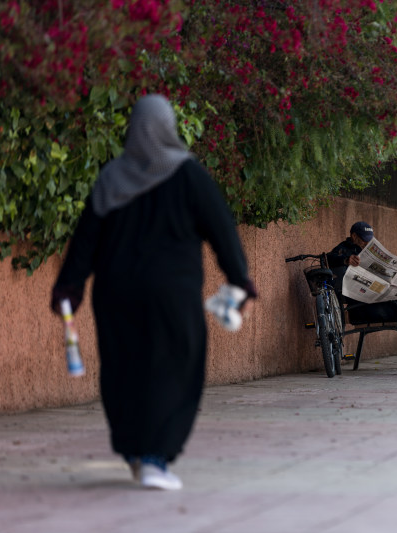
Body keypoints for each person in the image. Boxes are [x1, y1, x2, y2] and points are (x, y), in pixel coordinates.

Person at [50, 94, 257, 490]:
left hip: (116, 295)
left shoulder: (112, 177)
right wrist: (240, 279)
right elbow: (222, 230)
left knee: (124, 368)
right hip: (171, 295)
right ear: (169, 128)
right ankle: (154, 459)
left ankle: (132, 450)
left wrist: (70, 287)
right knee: (173, 368)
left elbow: (84, 241)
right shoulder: (188, 175)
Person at [326, 221, 397, 375]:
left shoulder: (373, 251)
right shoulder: (342, 250)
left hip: (382, 302)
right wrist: (345, 260)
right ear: (354, 236)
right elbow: (327, 259)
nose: (367, 243)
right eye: (363, 239)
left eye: (369, 239)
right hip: (361, 308)